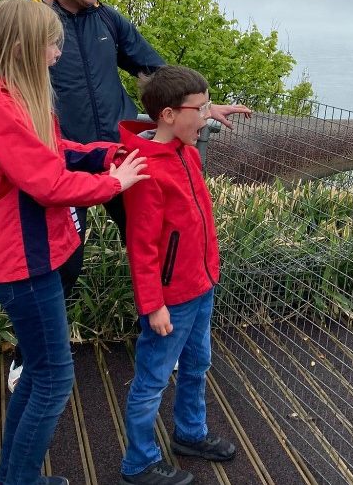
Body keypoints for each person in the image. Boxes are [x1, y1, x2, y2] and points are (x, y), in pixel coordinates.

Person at [0, 0, 250, 392]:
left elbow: (155, 73)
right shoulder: (37, 28)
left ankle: (159, 337)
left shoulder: (108, 20)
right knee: (64, 260)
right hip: (65, 162)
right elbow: (0, 88)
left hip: (122, 157)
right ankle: (29, 358)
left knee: (150, 243)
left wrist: (204, 108)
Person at [0, 0, 149, 485]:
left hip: (30, 254)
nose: (58, 53)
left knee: (40, 374)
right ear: (23, 48)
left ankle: (15, 478)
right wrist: (114, 184)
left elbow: (56, 153)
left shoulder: (12, 98)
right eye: (51, 44)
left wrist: (106, 153)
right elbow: (48, 184)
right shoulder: (1, 109)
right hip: (23, 259)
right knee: (54, 380)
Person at [117, 66, 236, 485]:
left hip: (201, 285)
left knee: (197, 363)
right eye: (200, 109)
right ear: (168, 114)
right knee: (151, 379)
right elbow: (143, 247)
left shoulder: (189, 153)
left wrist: (208, 273)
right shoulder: (146, 170)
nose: (205, 117)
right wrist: (153, 306)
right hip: (170, 299)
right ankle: (139, 462)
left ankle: (190, 433)